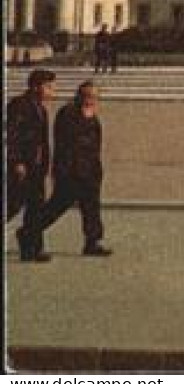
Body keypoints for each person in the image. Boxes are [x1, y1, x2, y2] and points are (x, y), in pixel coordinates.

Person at [30, 82, 111, 257]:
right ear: (79, 96)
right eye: (88, 96)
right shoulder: (68, 114)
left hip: (89, 171)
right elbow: (69, 143)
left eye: (94, 97)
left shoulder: (92, 117)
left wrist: (96, 170)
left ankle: (92, 242)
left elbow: (95, 145)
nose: (91, 100)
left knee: (91, 208)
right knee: (57, 206)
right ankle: (29, 231)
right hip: (71, 171)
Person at [7, 70, 57, 262]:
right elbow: (12, 135)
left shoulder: (41, 109)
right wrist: (17, 161)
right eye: (49, 86)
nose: (53, 90)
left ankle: (32, 249)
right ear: (36, 87)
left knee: (35, 208)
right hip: (22, 166)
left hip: (37, 167)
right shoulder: (19, 105)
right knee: (12, 205)